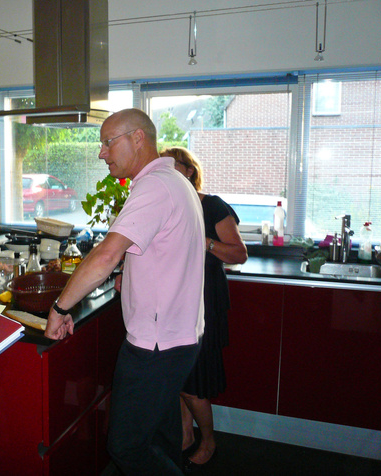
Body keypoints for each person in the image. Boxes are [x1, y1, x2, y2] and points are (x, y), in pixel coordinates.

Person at [45, 109, 206, 475]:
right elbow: (158, 251)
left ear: (137, 138)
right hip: (177, 338)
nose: (102, 153)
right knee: (160, 438)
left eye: (107, 142)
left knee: (126, 446)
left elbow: (105, 254)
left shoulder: (155, 187)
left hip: (156, 346)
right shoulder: (174, 180)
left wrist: (60, 306)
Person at [162, 146, 247, 471]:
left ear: (190, 171)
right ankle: (185, 437)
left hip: (204, 300)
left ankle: (208, 440)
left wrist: (205, 240)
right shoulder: (168, 206)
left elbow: (239, 254)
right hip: (175, 298)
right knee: (180, 376)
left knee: (193, 379)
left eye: (174, 166)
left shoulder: (211, 205)